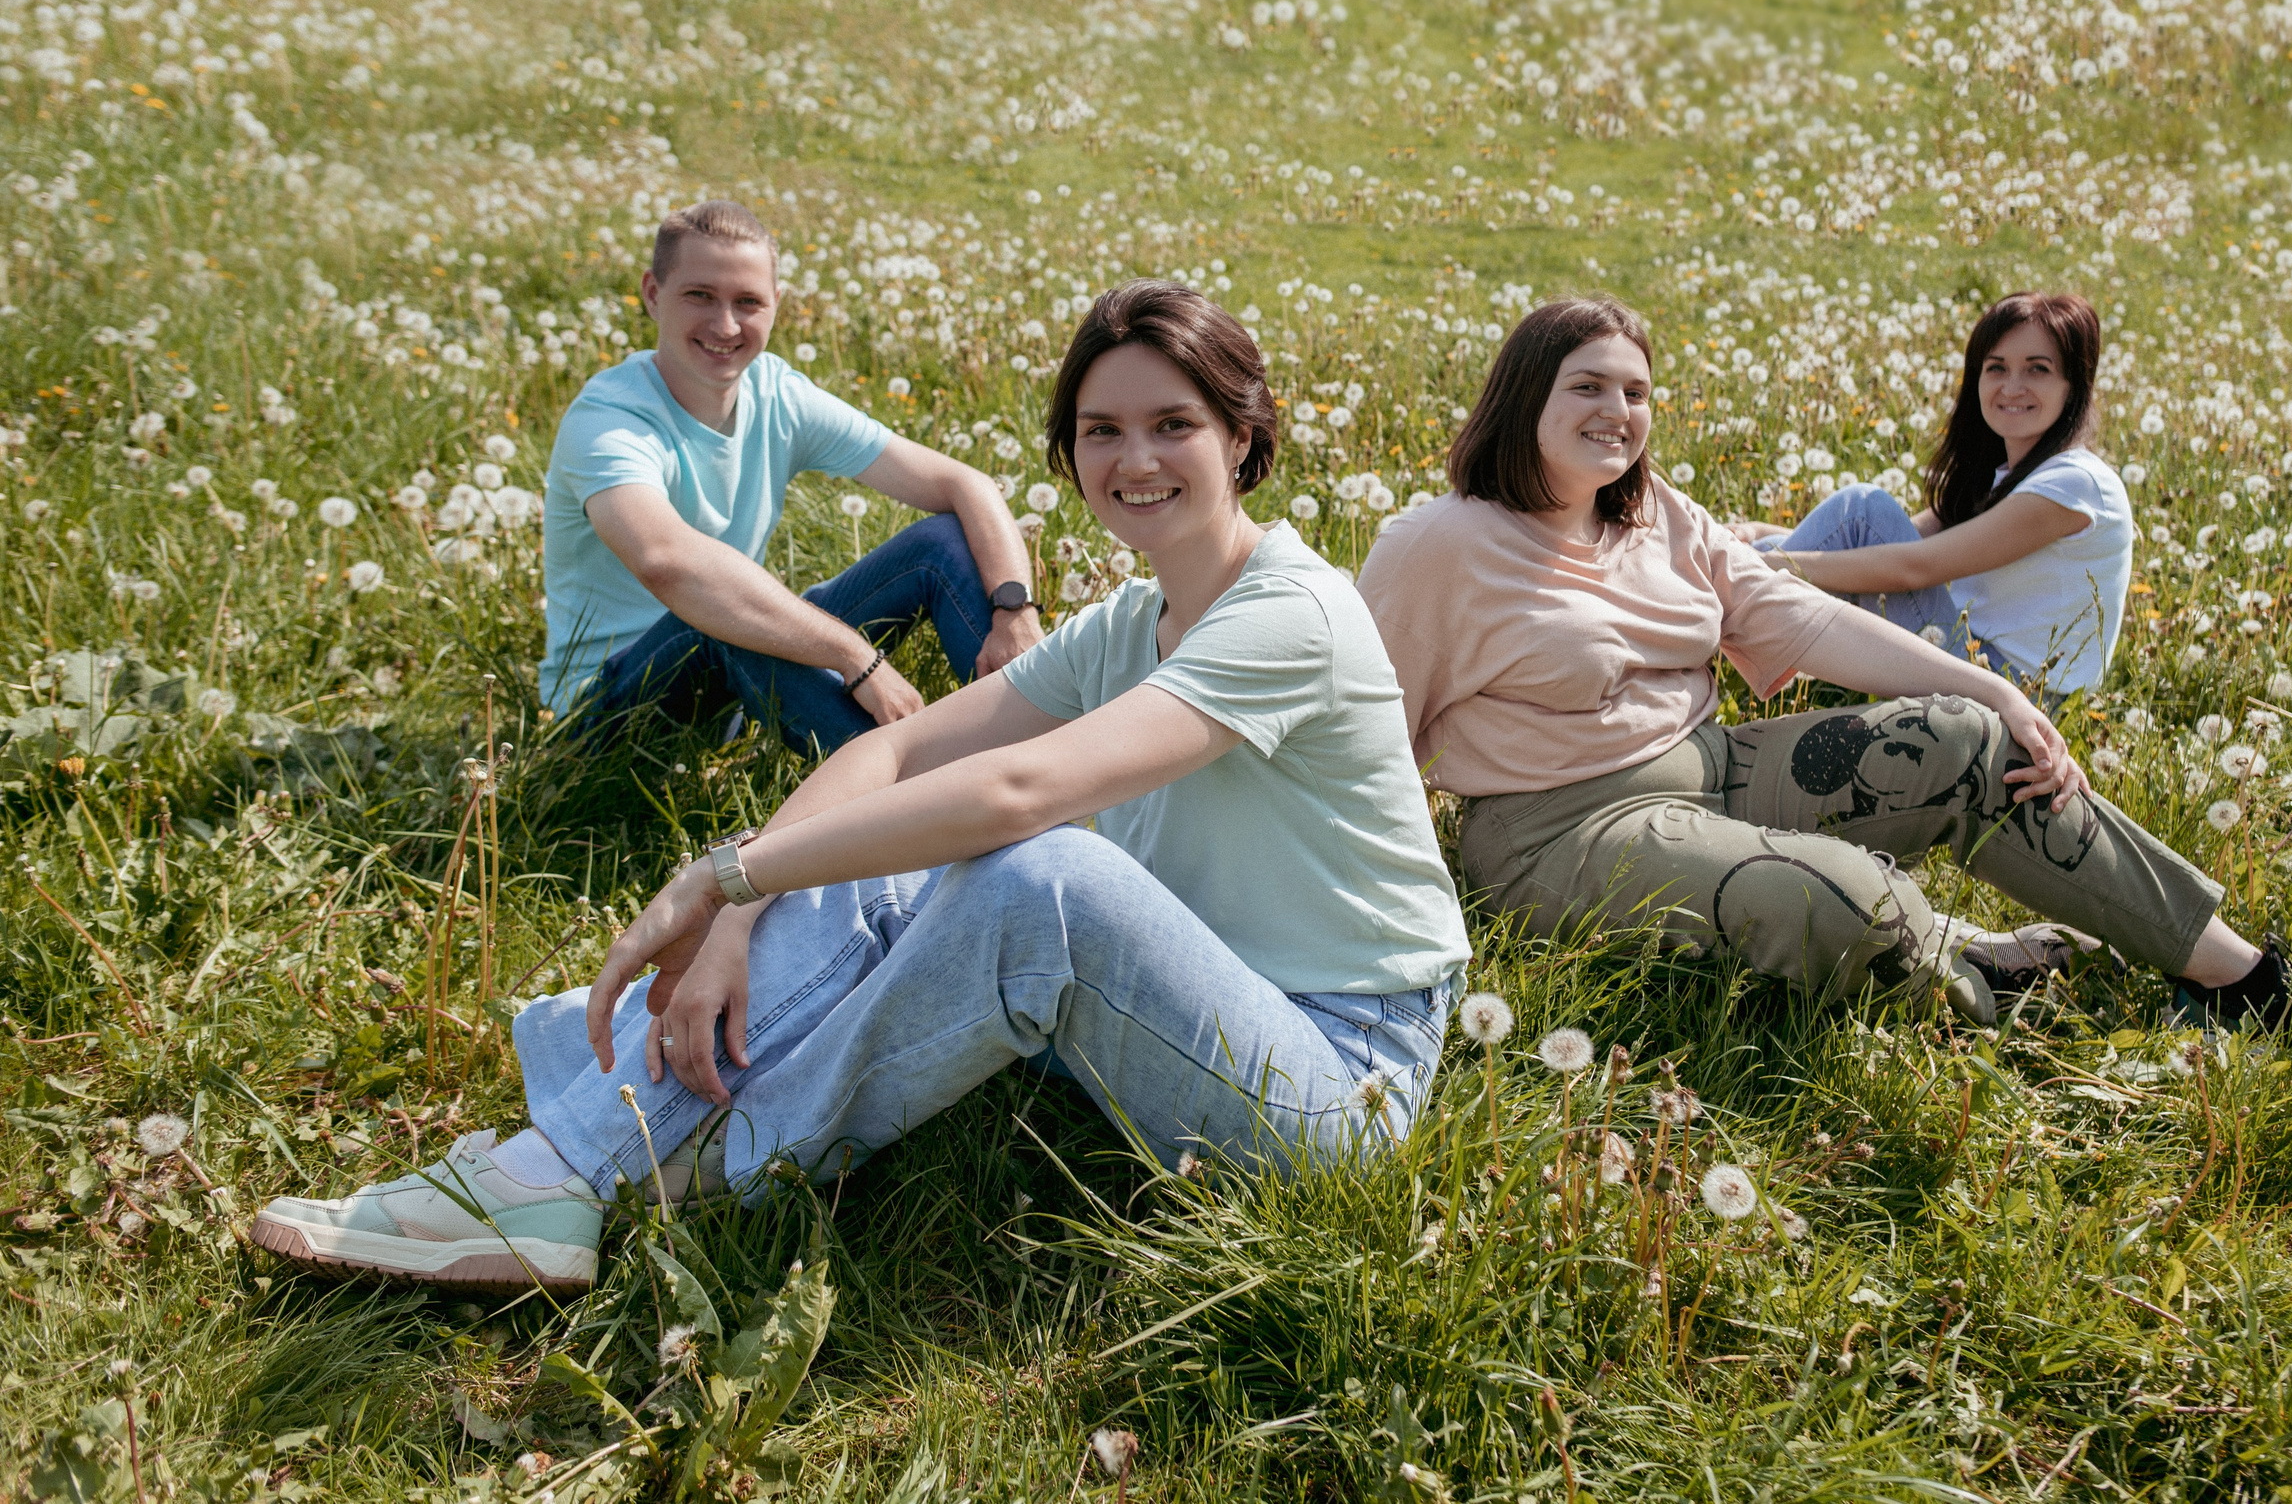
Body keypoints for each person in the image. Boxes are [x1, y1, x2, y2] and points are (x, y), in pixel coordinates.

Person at [250, 281, 1471, 1291]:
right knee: (893, 845)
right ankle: (568, 1168)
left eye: (1173, 425)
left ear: (1244, 438)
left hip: (1332, 1076)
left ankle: (595, 1169)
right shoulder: (1128, 622)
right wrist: (737, 910)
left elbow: (1016, 793)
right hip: (1199, 1001)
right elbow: (887, 753)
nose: (1133, 458)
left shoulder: (1294, 615)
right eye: (1101, 431)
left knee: (1032, 873)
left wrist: (729, 869)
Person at [1359, 295, 2292, 1057]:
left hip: (1708, 769)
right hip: (1558, 835)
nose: (1619, 412)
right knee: (1842, 895)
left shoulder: (1658, 517)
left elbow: (1798, 616)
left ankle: (2246, 983)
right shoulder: (1438, 547)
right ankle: (1980, 979)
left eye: (1637, 392)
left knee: (1975, 747)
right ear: (1523, 396)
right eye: (1587, 385)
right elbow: (1366, 739)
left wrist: (1998, 697)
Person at [539, 199, 1044, 757]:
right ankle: (931, 807)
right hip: (604, 718)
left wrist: (1015, 609)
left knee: (940, 544)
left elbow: (963, 484)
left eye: (748, 302)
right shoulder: (609, 420)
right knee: (717, 615)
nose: (726, 325)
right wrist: (855, 655)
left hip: (732, 670)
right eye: (700, 296)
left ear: (777, 305)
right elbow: (669, 564)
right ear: (654, 294)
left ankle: (1028, 750)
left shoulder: (777, 395)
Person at [1727, 292, 2131, 696]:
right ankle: (1724, 612)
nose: (2012, 387)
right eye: (1996, 368)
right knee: (1850, 520)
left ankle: (1714, 624)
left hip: (2017, 692)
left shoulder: (2076, 483)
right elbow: (1890, 544)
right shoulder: (2012, 478)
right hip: (1977, 664)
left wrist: (1762, 563)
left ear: (2073, 384)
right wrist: (1762, 538)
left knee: (1863, 513)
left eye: (2037, 370)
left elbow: (1914, 568)